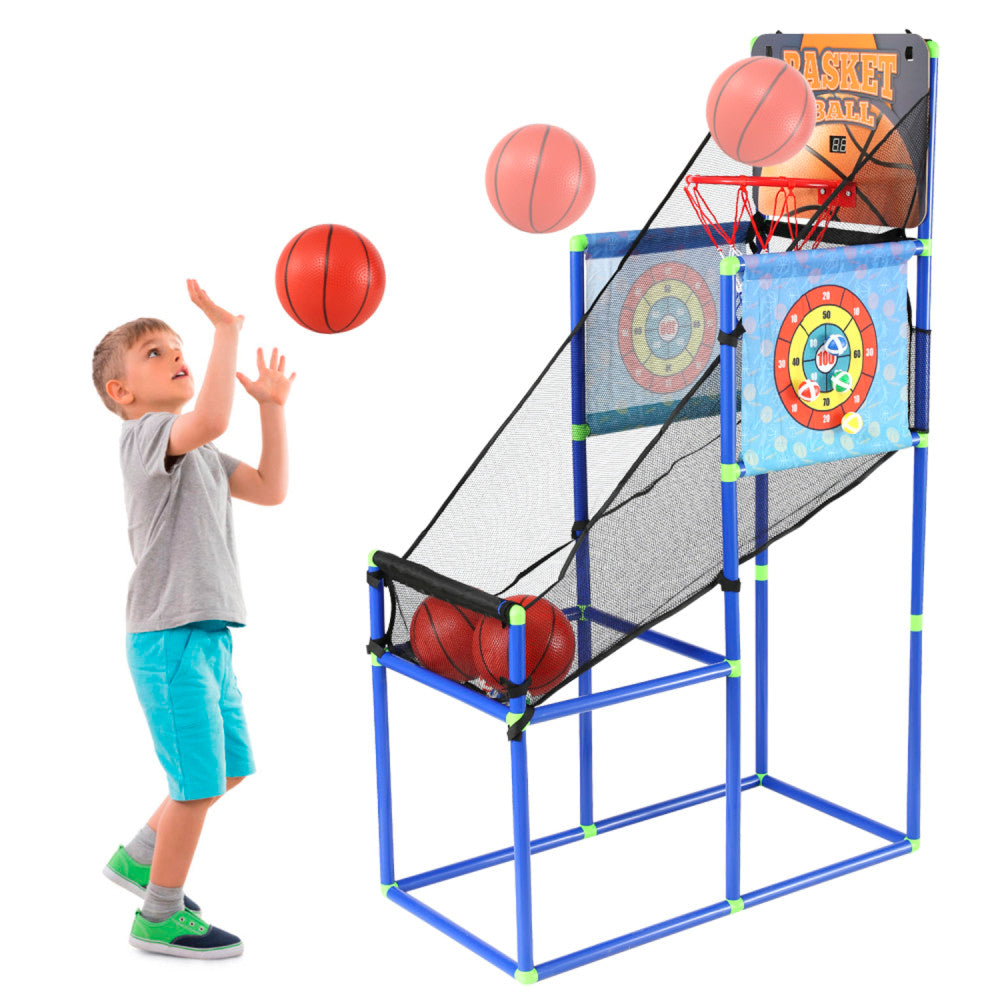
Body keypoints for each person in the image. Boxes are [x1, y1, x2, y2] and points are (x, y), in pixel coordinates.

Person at [92, 279, 295, 958]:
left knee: (229, 767)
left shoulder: (197, 451)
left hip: (207, 635)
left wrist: (272, 408)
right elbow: (209, 418)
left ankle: (140, 858)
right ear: (122, 392)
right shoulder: (146, 436)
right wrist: (225, 332)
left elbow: (270, 489)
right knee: (195, 786)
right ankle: (159, 914)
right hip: (168, 637)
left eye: (179, 347)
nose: (177, 356)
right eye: (156, 353)